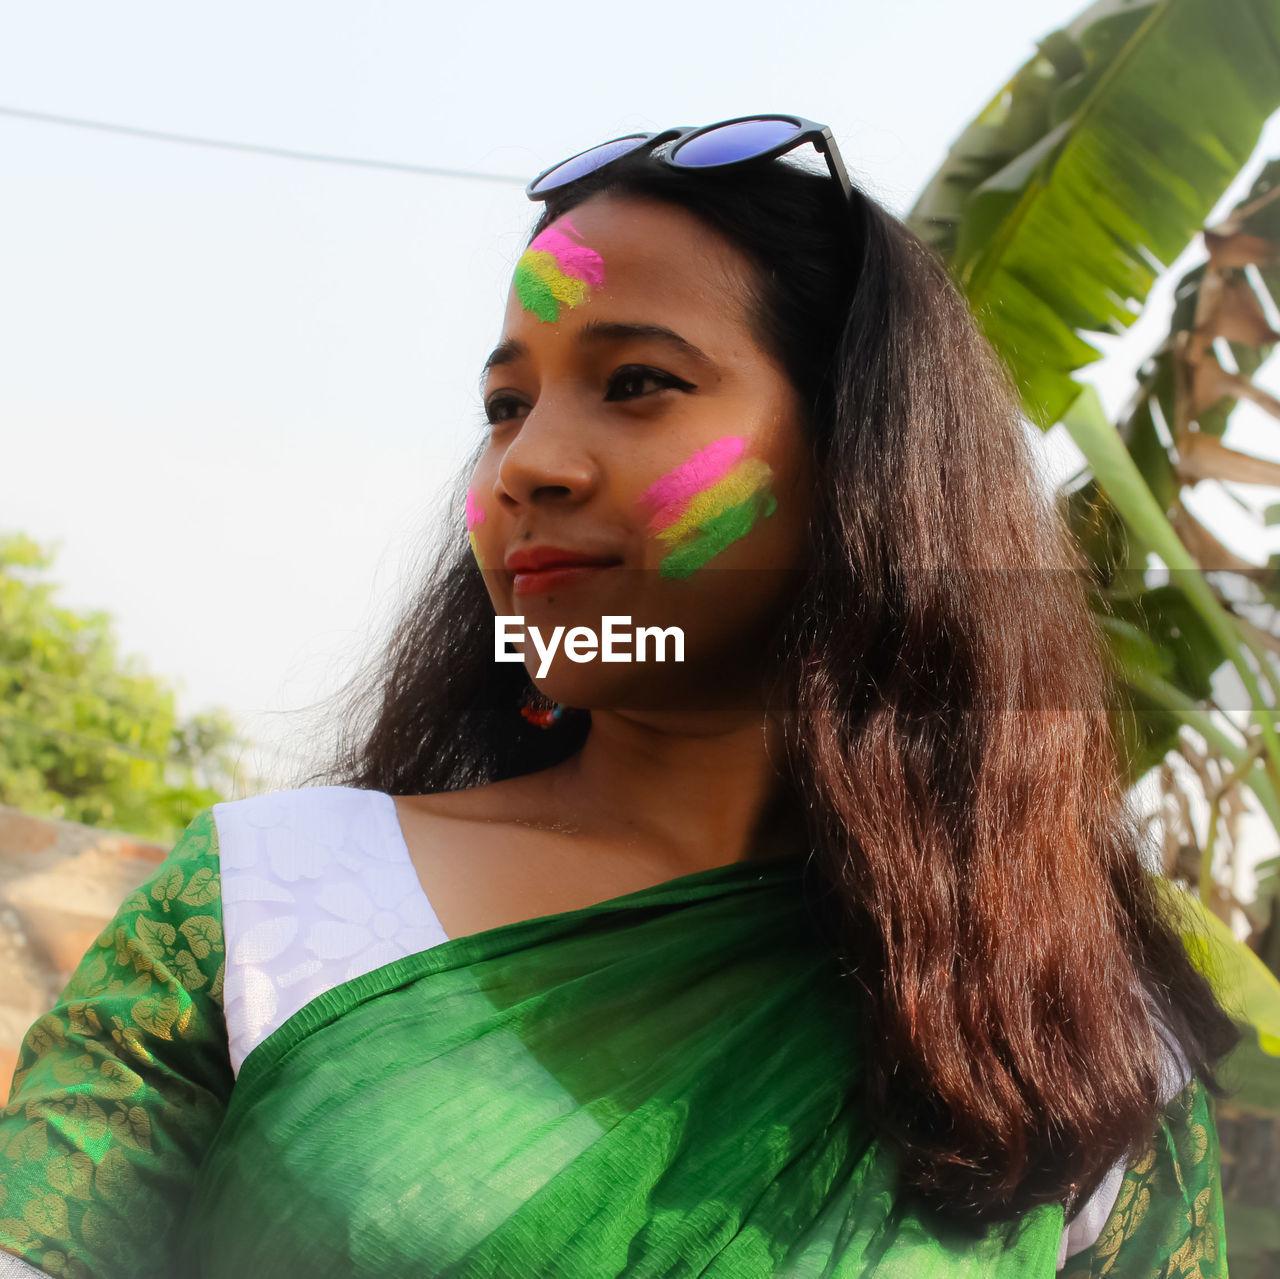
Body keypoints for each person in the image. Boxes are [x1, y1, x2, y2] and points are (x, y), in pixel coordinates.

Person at [0, 114, 1240, 1278]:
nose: (526, 462)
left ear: (861, 458)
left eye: (637, 380)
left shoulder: (1081, 1046)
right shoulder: (269, 905)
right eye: (504, 405)